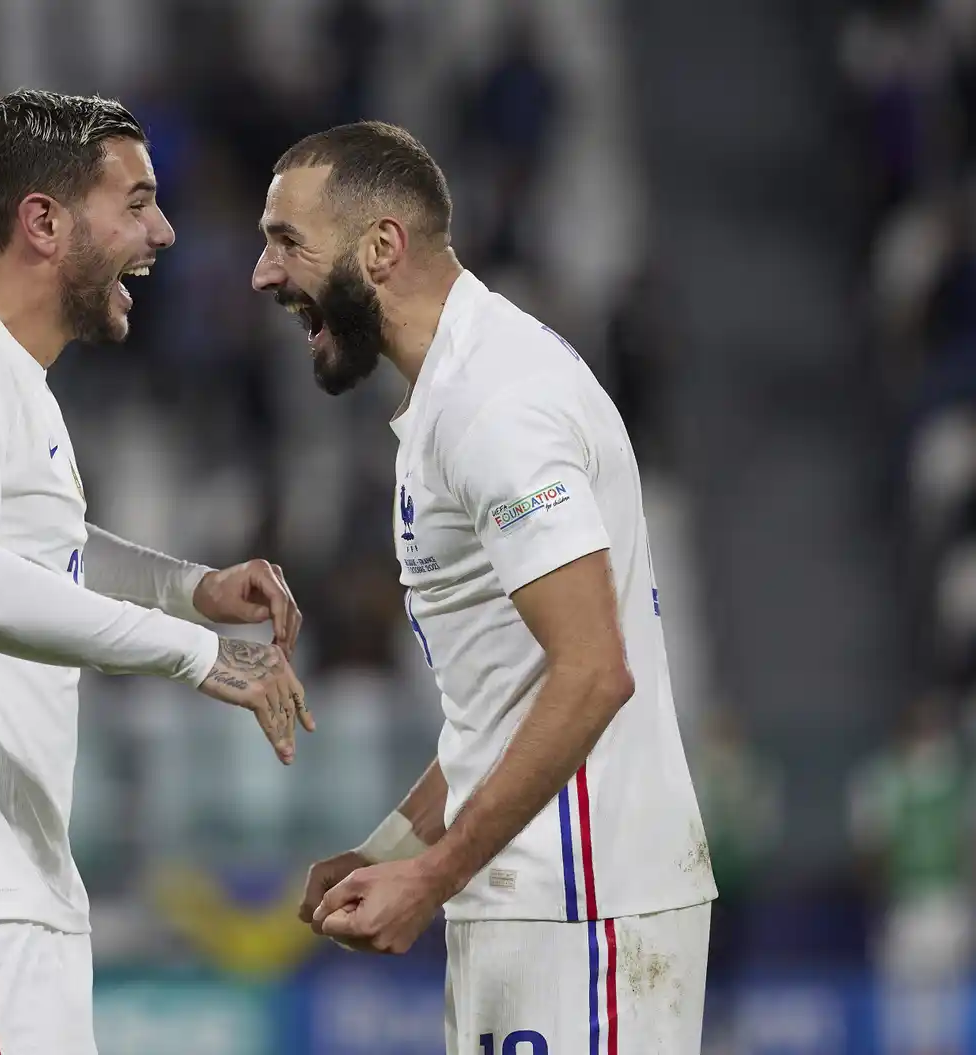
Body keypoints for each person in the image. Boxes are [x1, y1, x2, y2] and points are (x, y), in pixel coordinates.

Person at [0, 89, 313, 1055]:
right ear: (42, 222)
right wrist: (193, 652)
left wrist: (188, 587)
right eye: (135, 203)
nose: (163, 230)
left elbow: (37, 549)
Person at [251, 121, 717, 1053]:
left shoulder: (495, 406)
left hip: (584, 904)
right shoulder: (453, 397)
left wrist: (434, 876)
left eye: (286, 242)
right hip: (531, 897)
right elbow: (504, 703)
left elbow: (593, 672)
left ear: (381, 247)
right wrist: (393, 852)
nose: (265, 275)